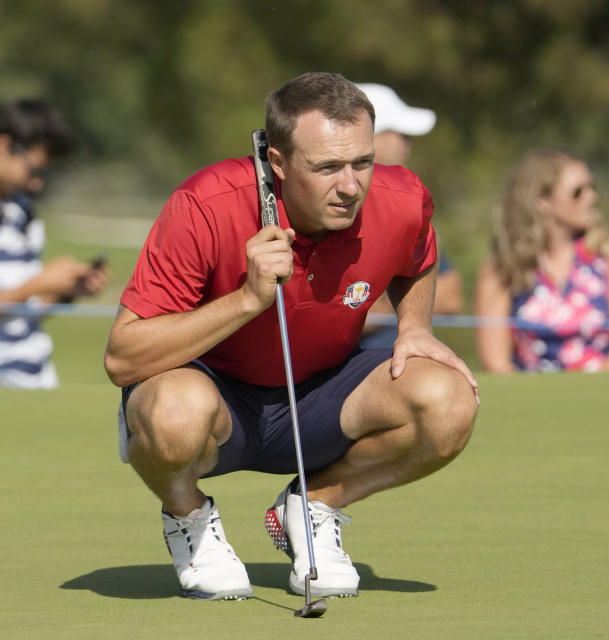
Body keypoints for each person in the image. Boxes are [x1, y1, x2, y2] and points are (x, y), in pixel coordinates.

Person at [103, 72, 479, 602]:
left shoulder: (402, 198)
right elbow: (122, 357)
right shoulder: (205, 203)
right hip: (218, 399)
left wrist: (415, 327)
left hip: (323, 395)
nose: (350, 186)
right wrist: (246, 300)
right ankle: (188, 517)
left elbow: (418, 254)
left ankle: (313, 507)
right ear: (277, 163)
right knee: (172, 414)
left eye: (362, 163)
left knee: (449, 402)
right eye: (327, 167)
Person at [474, 147, 609, 373]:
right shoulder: (502, 267)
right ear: (542, 202)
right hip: (530, 399)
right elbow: (496, 364)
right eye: (577, 192)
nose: (592, 197)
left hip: (603, 395)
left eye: (592, 188)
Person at [0, 99, 109, 388]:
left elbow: (23, 313)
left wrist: (65, 291)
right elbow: (26, 293)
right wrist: (39, 284)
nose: (37, 184)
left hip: (38, 380)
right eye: (34, 170)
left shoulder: (24, 214)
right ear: (4, 146)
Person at [354, 83, 462, 350]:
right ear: (370, 136)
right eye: (401, 134)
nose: (408, 144)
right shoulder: (322, 211)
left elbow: (450, 296)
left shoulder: (405, 207)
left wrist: (371, 308)